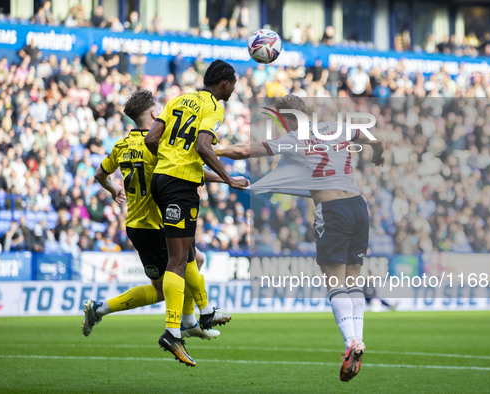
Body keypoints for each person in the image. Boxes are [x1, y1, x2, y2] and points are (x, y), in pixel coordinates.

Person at [216, 94, 384, 382]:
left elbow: (244, 151)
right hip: (359, 206)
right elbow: (372, 138)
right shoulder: (337, 127)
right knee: (353, 280)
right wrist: (378, 154)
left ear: (290, 119)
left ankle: (351, 342)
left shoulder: (292, 140)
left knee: (335, 282)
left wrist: (211, 149)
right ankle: (358, 339)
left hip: (332, 210)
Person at [87, 89, 230, 345]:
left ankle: (188, 321)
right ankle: (186, 321)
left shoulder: (121, 146)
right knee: (175, 277)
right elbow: (186, 169)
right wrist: (224, 178)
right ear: (155, 114)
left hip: (137, 224)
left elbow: (99, 174)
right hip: (156, 226)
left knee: (194, 260)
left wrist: (113, 190)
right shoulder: (158, 145)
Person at [145, 60, 249, 366]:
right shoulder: (214, 106)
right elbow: (205, 147)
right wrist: (229, 179)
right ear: (225, 84)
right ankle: (172, 331)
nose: (233, 90)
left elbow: (152, 140)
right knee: (177, 261)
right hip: (180, 186)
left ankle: (203, 314)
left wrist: (169, 159)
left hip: (161, 179)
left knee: (189, 253)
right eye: (233, 85)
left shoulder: (177, 100)